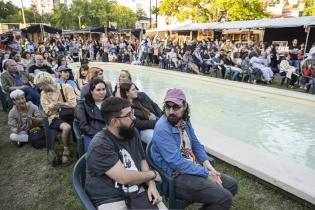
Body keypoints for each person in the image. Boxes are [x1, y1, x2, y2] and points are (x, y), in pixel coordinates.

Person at [151, 88, 238, 210]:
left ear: (184, 106)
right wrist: (206, 173)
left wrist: (206, 163)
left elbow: (195, 143)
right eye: (167, 107)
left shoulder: (184, 120)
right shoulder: (162, 128)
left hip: (191, 167)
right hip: (174, 176)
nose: (170, 111)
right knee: (224, 198)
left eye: (175, 107)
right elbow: (176, 162)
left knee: (231, 185)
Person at [85, 97, 166, 210]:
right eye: (129, 115)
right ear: (115, 122)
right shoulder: (100, 144)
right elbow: (124, 178)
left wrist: (151, 185)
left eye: (132, 112)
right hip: (110, 198)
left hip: (136, 189)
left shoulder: (132, 132)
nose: (134, 117)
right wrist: (153, 174)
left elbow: (142, 159)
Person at [34, 72, 77, 165]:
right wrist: (51, 108)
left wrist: (59, 104)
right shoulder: (43, 94)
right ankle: (66, 150)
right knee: (66, 127)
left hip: (70, 114)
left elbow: (73, 104)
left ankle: (79, 145)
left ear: (48, 82)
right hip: (55, 117)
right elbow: (47, 113)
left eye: (41, 86)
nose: (40, 88)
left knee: (76, 122)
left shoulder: (66, 87)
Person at [75, 78, 109, 152]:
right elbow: (83, 126)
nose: (102, 92)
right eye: (98, 90)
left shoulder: (110, 102)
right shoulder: (82, 104)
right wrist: (100, 136)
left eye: (104, 89)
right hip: (92, 135)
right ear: (91, 91)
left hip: (111, 133)